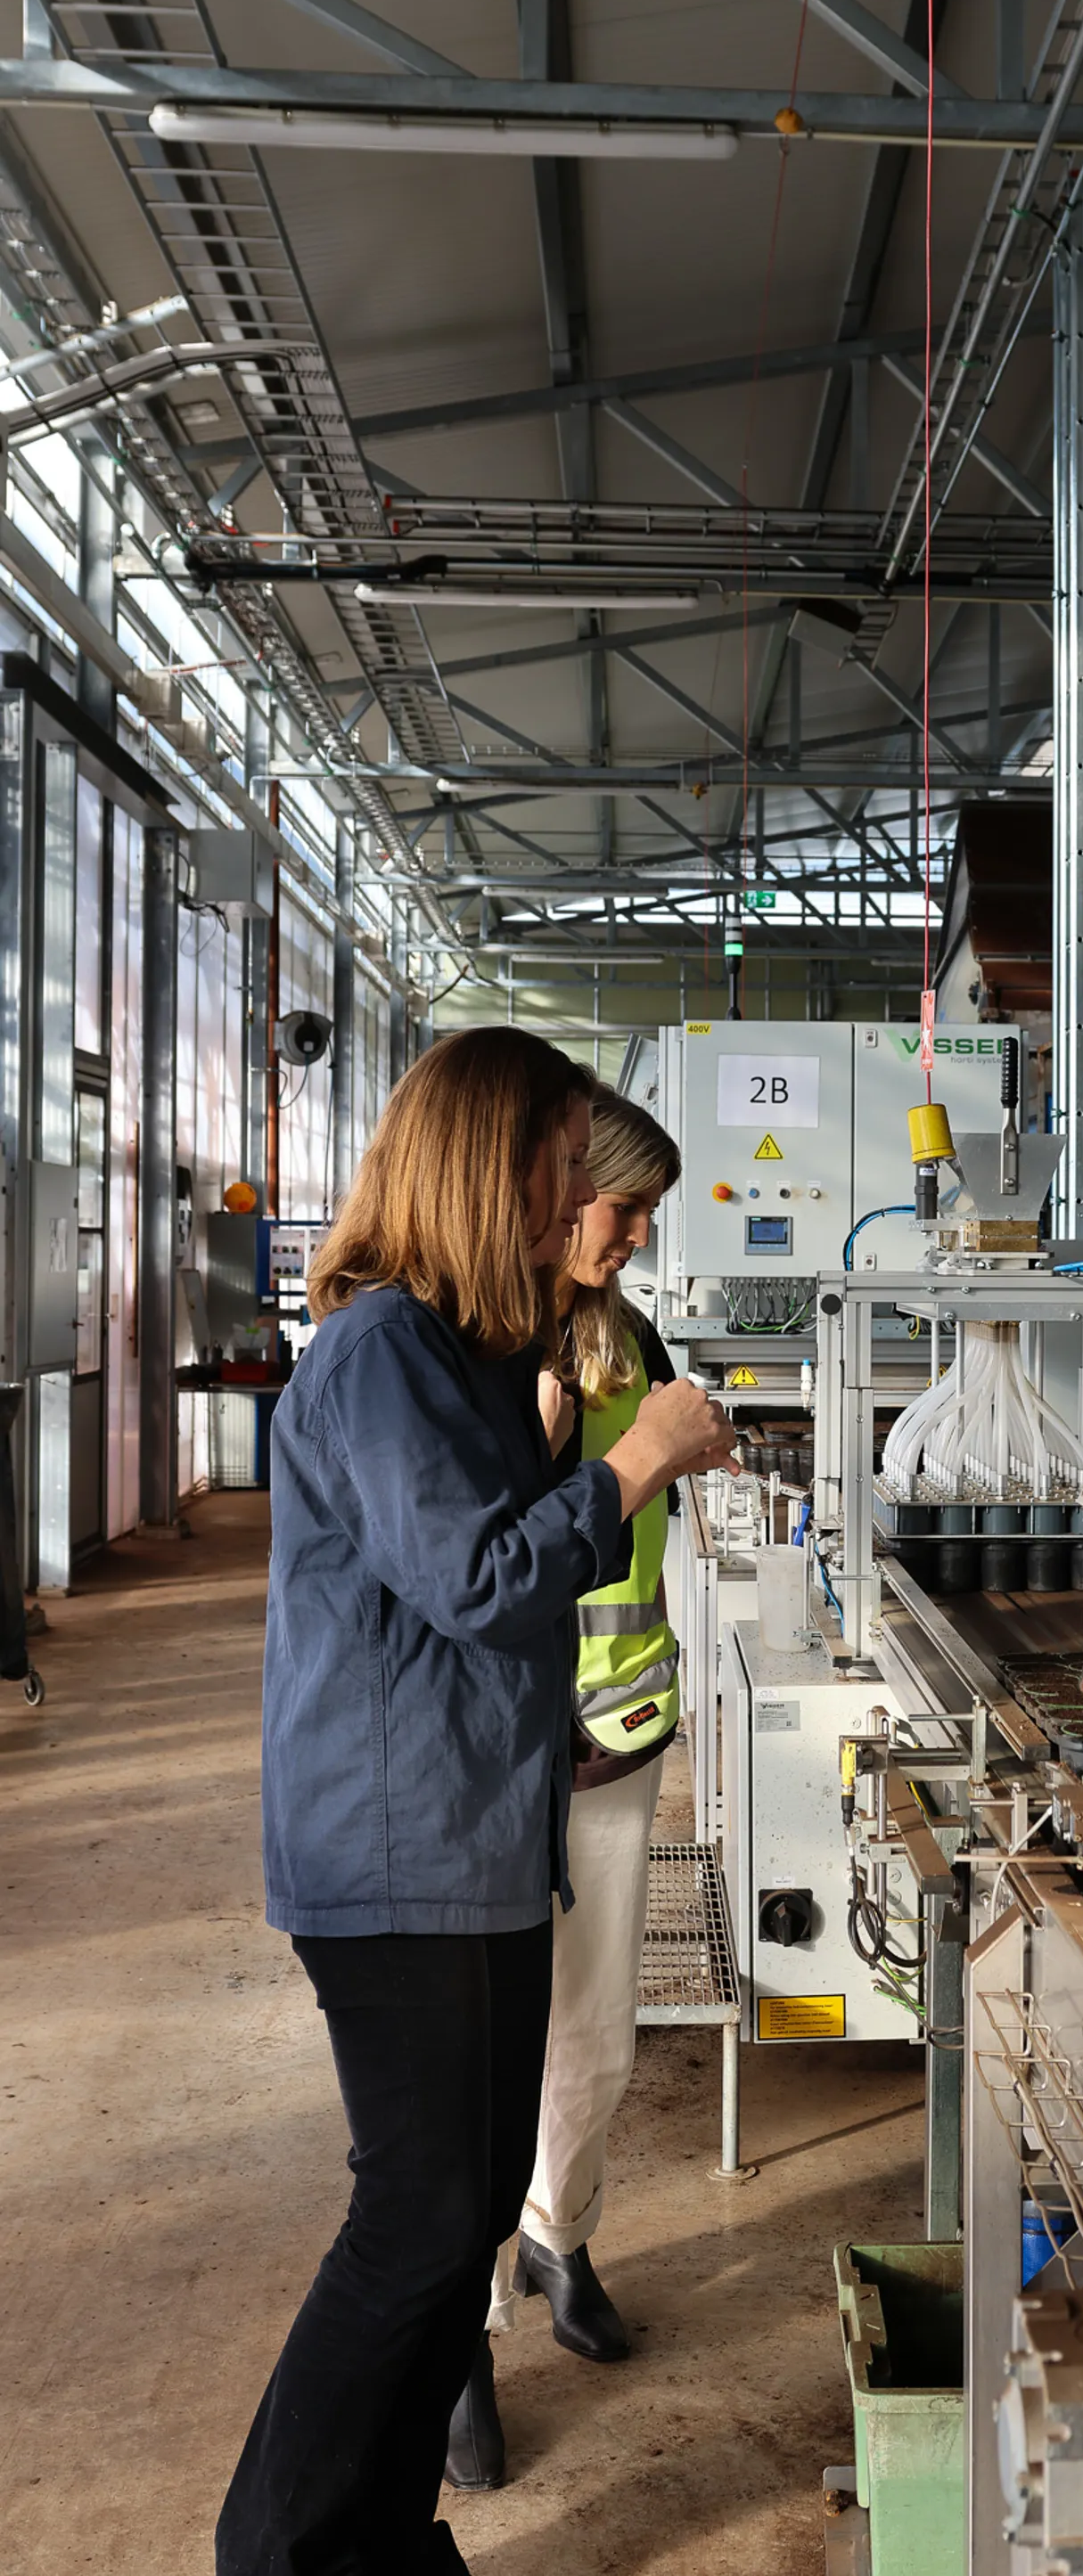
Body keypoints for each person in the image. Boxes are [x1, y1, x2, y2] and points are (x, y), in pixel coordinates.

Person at [215, 1028, 738, 2576]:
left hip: (479, 1836)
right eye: (570, 1165)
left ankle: (377, 2533)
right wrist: (635, 1459)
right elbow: (485, 1583)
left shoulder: (467, 1355)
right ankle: (286, 2551)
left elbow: (488, 1589)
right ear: (488, 1165)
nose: (588, 1197)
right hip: (397, 1859)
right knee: (418, 2226)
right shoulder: (378, 1352)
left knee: (456, 2239)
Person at [445, 1086, 688, 2490]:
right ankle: (465, 2331)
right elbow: (491, 1568)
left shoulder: (630, 1335)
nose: (641, 1235)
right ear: (556, 1192)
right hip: (514, 1761)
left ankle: (560, 2235)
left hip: (623, 1738)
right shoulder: (492, 1352)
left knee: (595, 2032)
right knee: (484, 2051)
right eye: (625, 1207)